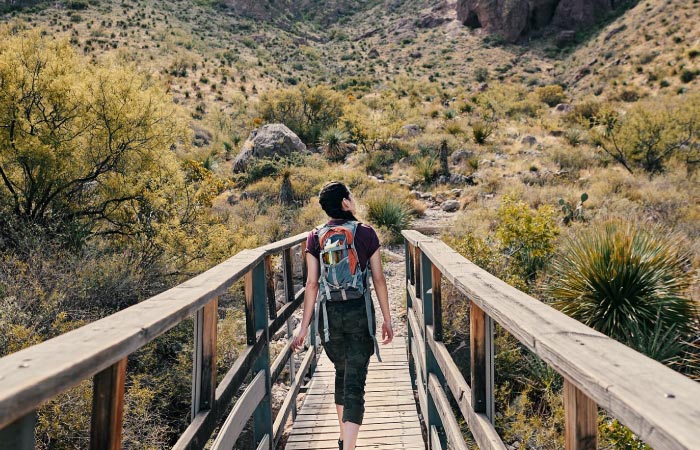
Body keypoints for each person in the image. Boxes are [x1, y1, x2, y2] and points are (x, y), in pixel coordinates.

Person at [292, 181, 393, 450]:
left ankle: (342, 437)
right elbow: (379, 279)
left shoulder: (315, 237)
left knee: (342, 372)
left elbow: (312, 284)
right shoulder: (366, 233)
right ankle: (348, 447)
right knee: (355, 382)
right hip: (359, 313)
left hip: (329, 317)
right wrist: (387, 318)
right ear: (345, 203)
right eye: (350, 196)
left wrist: (303, 327)